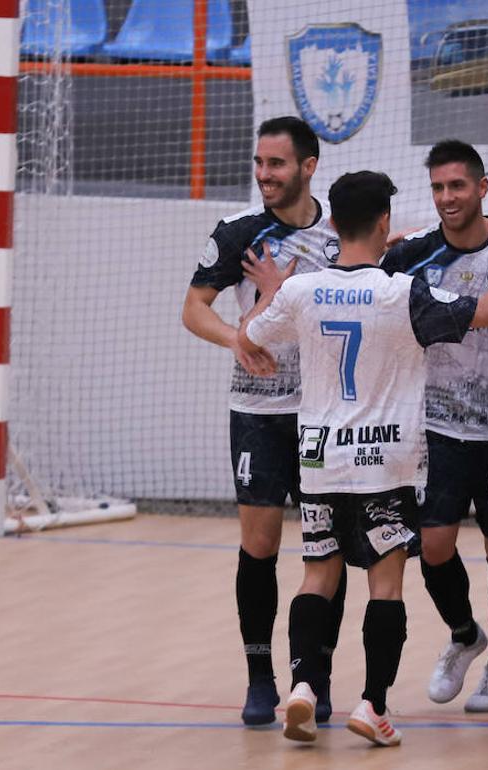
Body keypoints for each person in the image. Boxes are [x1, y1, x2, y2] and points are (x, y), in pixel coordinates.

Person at [239, 170, 488, 746]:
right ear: (385, 222)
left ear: (333, 223)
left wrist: (268, 290)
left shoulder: (301, 290)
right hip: (385, 462)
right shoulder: (404, 294)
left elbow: (250, 336)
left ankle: (304, 686)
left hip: (319, 460)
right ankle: (372, 704)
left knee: (317, 576)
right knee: (386, 586)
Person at [181, 116, 347, 726]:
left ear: (308, 166)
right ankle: (260, 678)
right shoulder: (238, 233)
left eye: (276, 164)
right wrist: (236, 337)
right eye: (259, 163)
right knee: (258, 545)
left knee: (325, 548)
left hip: (324, 417)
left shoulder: (339, 235)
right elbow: (194, 308)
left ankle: (316, 678)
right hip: (256, 412)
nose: (264, 175)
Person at [379, 140, 488, 713]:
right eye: (438, 188)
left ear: (483, 187)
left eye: (457, 186)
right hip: (437, 427)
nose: (446, 198)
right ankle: (467, 636)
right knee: (434, 547)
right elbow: (365, 280)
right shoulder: (412, 253)